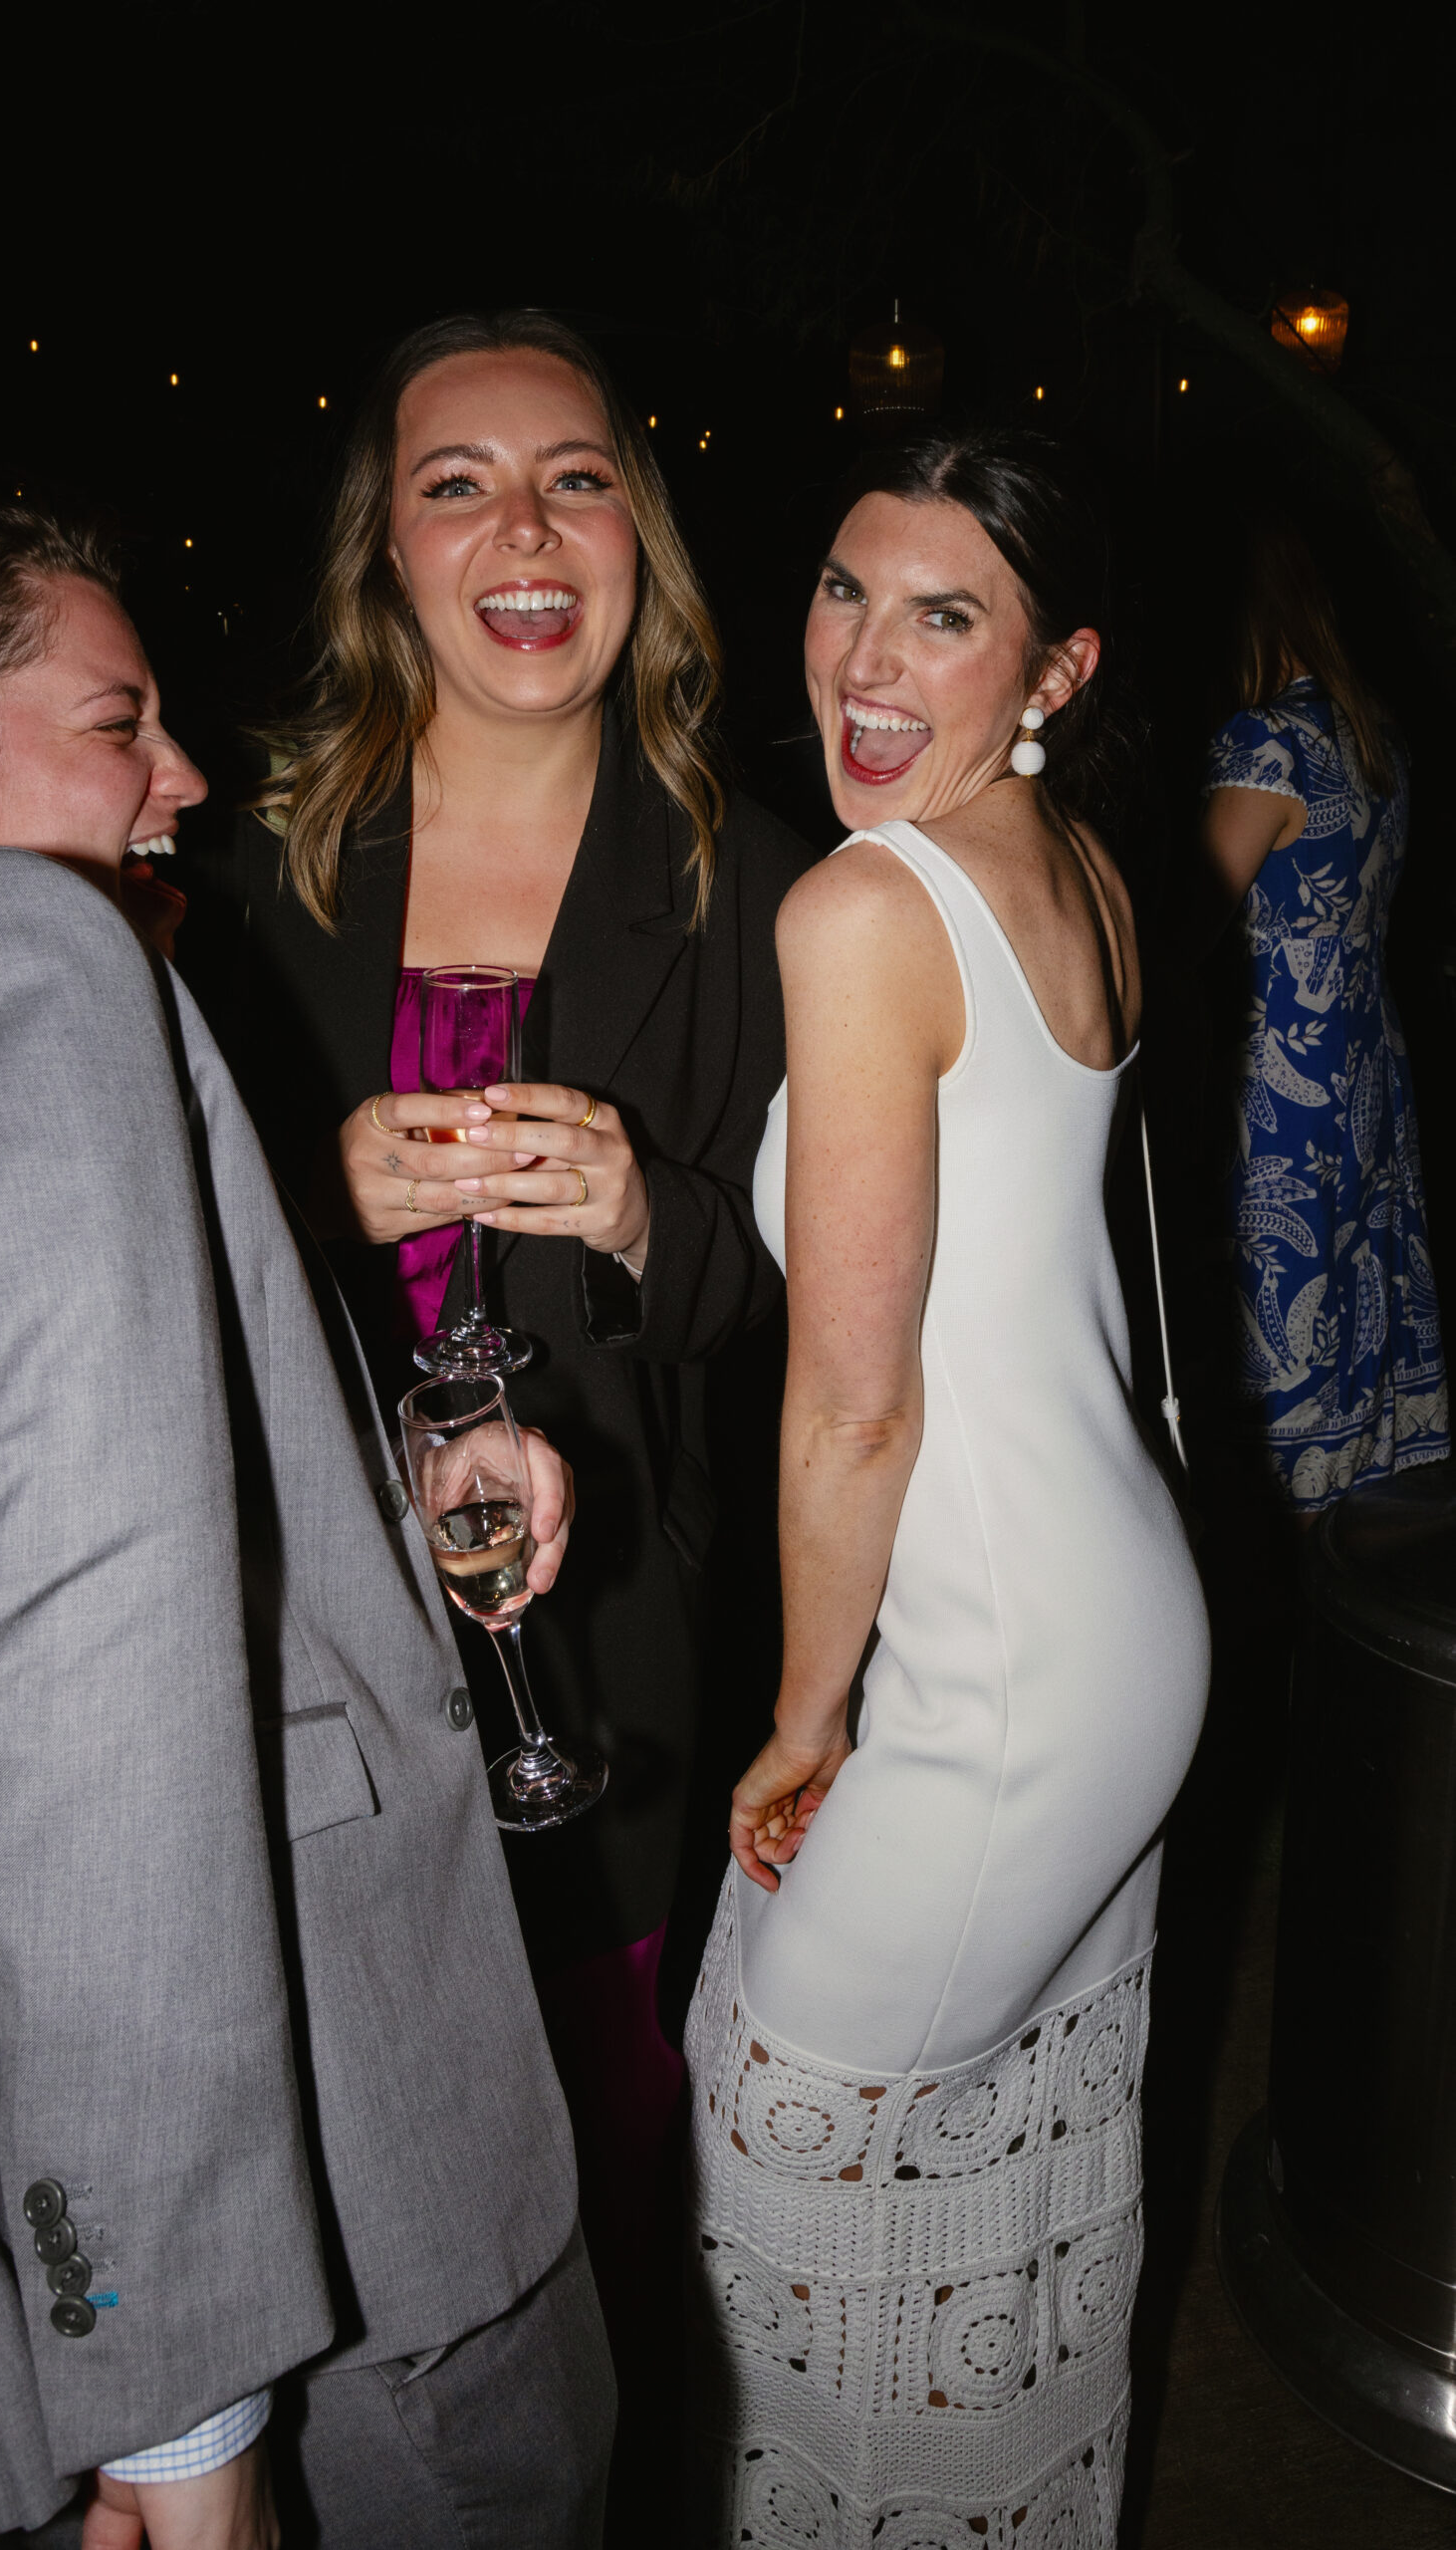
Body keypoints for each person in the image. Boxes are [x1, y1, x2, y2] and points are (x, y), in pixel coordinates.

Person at [0, 470, 611, 2550]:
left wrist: (383, 1494)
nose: (184, 773)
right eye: (114, 720)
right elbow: (77, 1670)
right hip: (294, 2268)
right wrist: (177, 2396)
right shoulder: (7, 950)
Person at [193, 310, 811, 2468]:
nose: (524, 526)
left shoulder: (754, 875)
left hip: (613, 1643)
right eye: (457, 480)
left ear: (636, 529)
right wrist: (308, 1194)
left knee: (590, 2146)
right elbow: (142, 1264)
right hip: (305, 1638)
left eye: (575, 474)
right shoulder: (249, 861)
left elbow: (808, 1307)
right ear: (383, 550)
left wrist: (653, 1216)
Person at [683, 431, 1210, 2544]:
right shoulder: (1069, 863)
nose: (862, 661)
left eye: (942, 614)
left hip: (1003, 1673)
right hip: (1115, 1617)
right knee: (986, 2187)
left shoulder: (864, 901)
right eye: (838, 591)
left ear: (1053, 665)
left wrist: (807, 1718)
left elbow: (853, 1411)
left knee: (777, 2166)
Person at [1199, 503, 1448, 1511]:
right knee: (1358, 1285)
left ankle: (1287, 1539)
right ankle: (1356, 1519)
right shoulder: (1375, 733)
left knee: (1284, 1291)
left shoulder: (1269, 745)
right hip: (1370, 1051)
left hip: (1285, 1066)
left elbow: (1188, 925)